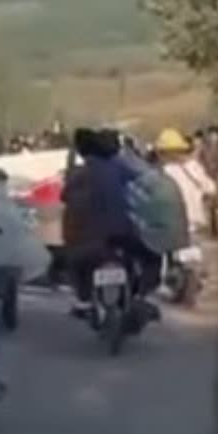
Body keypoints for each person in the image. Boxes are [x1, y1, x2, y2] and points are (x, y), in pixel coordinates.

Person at [62, 127, 160, 316]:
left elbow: (64, 197)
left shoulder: (78, 174)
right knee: (149, 254)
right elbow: (143, 183)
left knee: (75, 262)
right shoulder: (119, 168)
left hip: (88, 239)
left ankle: (84, 300)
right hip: (120, 232)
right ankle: (140, 295)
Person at [155, 128, 216, 237]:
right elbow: (212, 189)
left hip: (176, 229)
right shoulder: (194, 166)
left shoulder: (163, 173)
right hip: (197, 226)